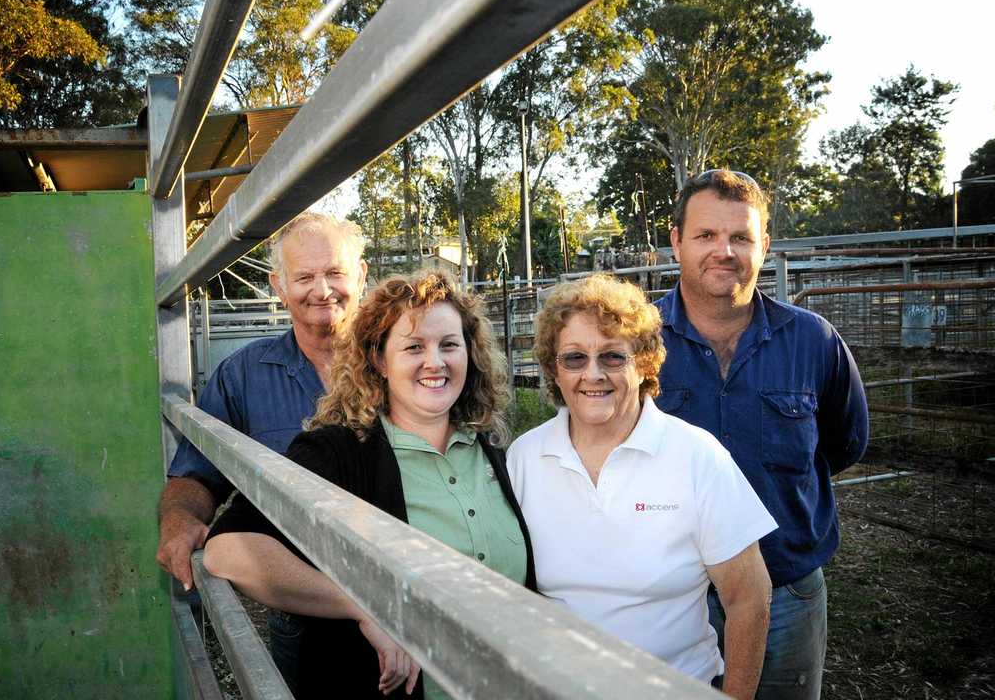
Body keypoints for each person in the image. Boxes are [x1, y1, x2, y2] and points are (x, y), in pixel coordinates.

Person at [203, 270, 536, 699]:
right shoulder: (338, 455)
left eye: (449, 345)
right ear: (379, 360)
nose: (435, 361)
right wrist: (365, 606)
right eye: (413, 347)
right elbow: (228, 550)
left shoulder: (496, 451)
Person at [507, 274, 776, 698]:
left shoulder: (696, 457)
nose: (592, 374)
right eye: (574, 358)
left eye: (613, 357)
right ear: (553, 371)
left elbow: (749, 598)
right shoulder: (523, 459)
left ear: (645, 362)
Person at [656, 169, 870, 700]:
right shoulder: (635, 343)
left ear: (765, 245)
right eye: (706, 235)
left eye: (741, 237)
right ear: (676, 241)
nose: (723, 251)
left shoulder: (814, 342)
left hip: (787, 590)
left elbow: (844, 443)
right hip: (672, 595)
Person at [154, 211, 368, 689]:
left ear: (361, 275)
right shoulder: (244, 375)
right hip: (300, 607)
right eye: (304, 276)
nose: (322, 289)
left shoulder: (397, 361)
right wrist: (179, 518)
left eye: (335, 272)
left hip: (398, 592)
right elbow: (197, 471)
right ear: (278, 285)